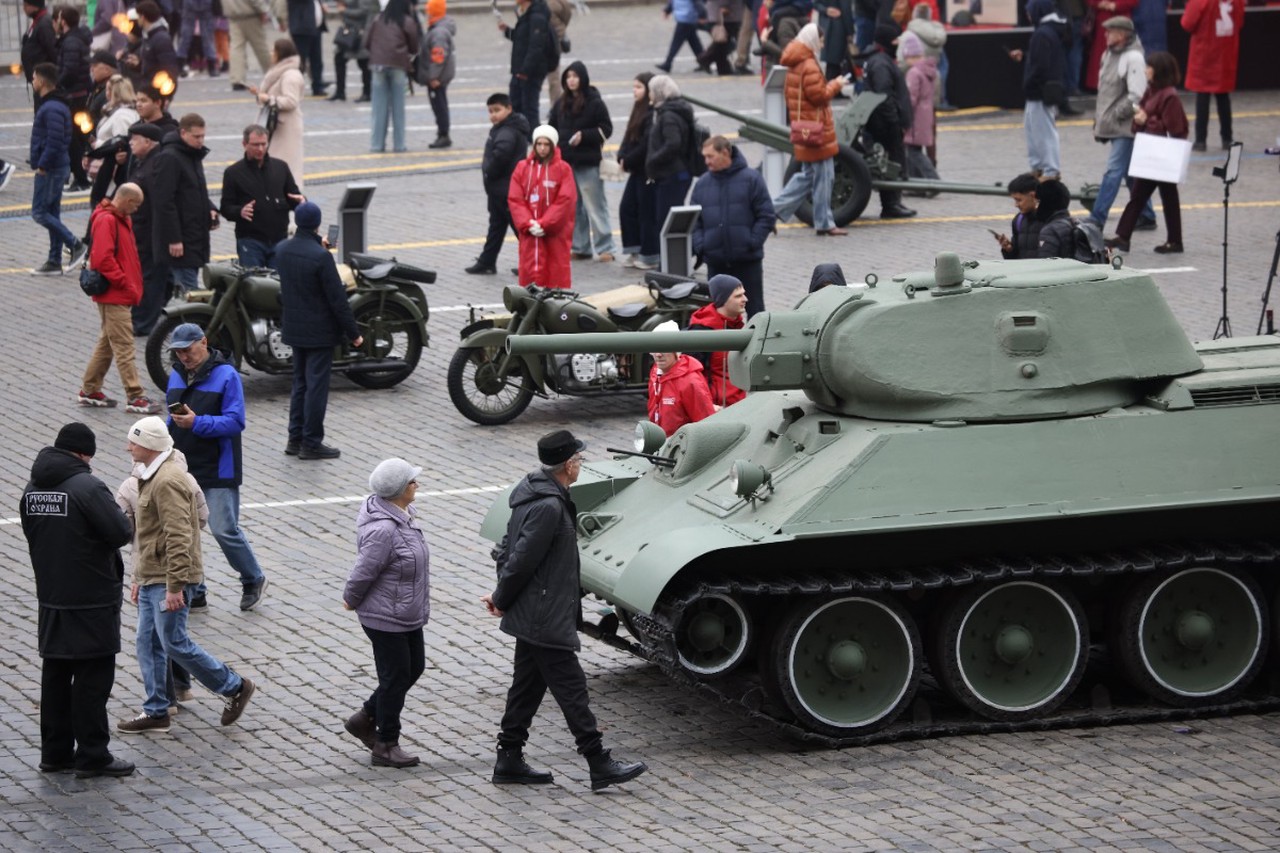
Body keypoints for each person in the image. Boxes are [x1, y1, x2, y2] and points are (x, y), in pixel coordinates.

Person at [481, 430, 648, 791]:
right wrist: (502, 597)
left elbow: (508, 547)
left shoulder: (533, 494)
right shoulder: (549, 506)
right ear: (568, 465)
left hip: (536, 613)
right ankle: (598, 761)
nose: (581, 465)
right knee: (573, 691)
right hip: (545, 615)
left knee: (526, 689)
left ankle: (508, 757)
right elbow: (521, 559)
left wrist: (504, 596)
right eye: (579, 460)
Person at [117, 416, 256, 735]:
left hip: (169, 578)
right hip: (155, 575)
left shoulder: (168, 481)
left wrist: (175, 586)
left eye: (133, 442)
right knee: (148, 641)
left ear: (149, 446)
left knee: (174, 642)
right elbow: (149, 535)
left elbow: (180, 536)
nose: (128, 447)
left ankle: (234, 687)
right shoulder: (150, 476)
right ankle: (156, 709)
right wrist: (140, 576)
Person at [20, 423, 136, 779]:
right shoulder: (87, 487)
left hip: (52, 596)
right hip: (91, 599)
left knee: (55, 673)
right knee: (93, 676)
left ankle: (55, 752)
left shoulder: (32, 489)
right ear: (85, 454)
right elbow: (119, 532)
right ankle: (93, 753)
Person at [164, 322, 271, 611]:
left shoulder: (227, 375)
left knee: (224, 529)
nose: (183, 357)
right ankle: (194, 588)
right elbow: (170, 418)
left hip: (218, 467)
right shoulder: (175, 375)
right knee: (184, 531)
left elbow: (236, 422)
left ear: (203, 343)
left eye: (187, 350)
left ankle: (252, 577)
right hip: (183, 466)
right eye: (178, 352)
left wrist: (197, 422)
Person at [342, 458, 431, 769]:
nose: (416, 484)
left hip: (405, 611)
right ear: (397, 491)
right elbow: (364, 570)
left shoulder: (403, 516)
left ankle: (365, 717)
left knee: (413, 668)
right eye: (411, 481)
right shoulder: (383, 530)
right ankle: (385, 743)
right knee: (395, 678)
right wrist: (350, 599)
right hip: (385, 616)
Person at [276, 202, 364, 460]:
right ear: (317, 224)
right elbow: (338, 299)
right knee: (316, 387)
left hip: (294, 328)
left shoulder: (283, 250)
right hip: (319, 332)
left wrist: (317, 245)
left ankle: (295, 438)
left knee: (300, 384)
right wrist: (354, 333)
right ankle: (312, 442)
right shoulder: (321, 257)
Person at [76, 184, 164, 414]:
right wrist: (124, 281)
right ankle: (135, 396)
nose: (136, 209)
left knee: (107, 343)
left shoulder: (117, 218)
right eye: (136, 204)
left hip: (116, 293)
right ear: (126, 200)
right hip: (115, 294)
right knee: (124, 345)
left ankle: (90, 389)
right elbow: (103, 259)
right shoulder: (108, 220)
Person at [1106, 51, 1188, 255]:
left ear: (1158, 70)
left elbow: (1174, 128)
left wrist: (1146, 120)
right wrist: (1140, 119)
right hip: (1154, 154)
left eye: (1149, 67)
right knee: (1149, 195)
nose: (1145, 70)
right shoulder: (1153, 91)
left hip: (1160, 154)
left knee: (1147, 195)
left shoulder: (1169, 95)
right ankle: (1127, 236)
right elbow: (1142, 117)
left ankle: (1128, 237)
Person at [771, 24, 849, 235]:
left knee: (806, 176)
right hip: (817, 130)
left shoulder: (795, 60)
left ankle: (770, 212)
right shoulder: (809, 64)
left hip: (804, 127)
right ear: (814, 39)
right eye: (821, 41)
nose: (822, 45)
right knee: (825, 176)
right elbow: (819, 96)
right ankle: (824, 222)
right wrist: (836, 84)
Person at [690, 135, 776, 318]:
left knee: (755, 312)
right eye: (704, 157)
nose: (706, 162)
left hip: (747, 261)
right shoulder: (702, 184)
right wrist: (702, 246)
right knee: (717, 314)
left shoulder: (752, 179)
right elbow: (694, 221)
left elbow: (766, 215)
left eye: (710, 156)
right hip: (716, 262)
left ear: (725, 153)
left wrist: (752, 242)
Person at [1088, 16, 1154, 230]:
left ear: (1123, 35)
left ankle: (1097, 219)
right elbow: (1105, 93)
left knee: (1114, 171)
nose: (1105, 35)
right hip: (1116, 124)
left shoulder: (1133, 58)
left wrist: (1115, 114)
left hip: (1125, 126)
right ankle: (1147, 214)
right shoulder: (1108, 55)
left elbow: (1137, 94)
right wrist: (1099, 120)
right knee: (1129, 173)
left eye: (1110, 31)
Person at [549, 61, 616, 263]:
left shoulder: (594, 102)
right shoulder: (561, 103)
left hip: (588, 162)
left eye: (575, 76)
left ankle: (606, 248)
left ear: (583, 78)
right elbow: (552, 127)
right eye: (568, 76)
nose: (571, 80)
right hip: (567, 163)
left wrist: (584, 136)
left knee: (595, 206)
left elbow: (606, 128)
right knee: (574, 207)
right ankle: (580, 246)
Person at [29, 62, 89, 276]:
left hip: (52, 168)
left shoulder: (52, 107)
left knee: (39, 212)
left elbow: (54, 140)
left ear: (43, 81)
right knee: (52, 212)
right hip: (56, 165)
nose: (32, 81)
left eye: (35, 77)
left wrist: (43, 164)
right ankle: (54, 260)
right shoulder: (53, 104)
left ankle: (75, 244)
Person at [153, 114, 220, 298]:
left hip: (194, 237)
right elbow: (164, 201)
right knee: (190, 294)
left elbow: (195, 191)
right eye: (196, 136)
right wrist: (174, 238)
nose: (201, 141)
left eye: (203, 136)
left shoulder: (192, 156)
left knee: (185, 292)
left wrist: (210, 208)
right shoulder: (171, 158)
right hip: (182, 241)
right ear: (183, 133)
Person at [220, 124, 304, 269]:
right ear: (244, 144)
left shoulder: (281, 167)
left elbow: (294, 196)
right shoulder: (233, 173)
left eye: (263, 144)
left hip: (279, 240)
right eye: (255, 145)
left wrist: (302, 203)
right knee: (254, 286)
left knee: (278, 286)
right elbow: (226, 208)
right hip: (250, 241)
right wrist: (240, 211)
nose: (260, 149)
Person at [467, 93, 531, 276]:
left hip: (506, 189)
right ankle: (487, 261)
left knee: (519, 228)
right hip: (500, 189)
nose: (493, 115)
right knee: (496, 226)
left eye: (497, 110)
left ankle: (533, 263)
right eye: (490, 111)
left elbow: (501, 154)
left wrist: (489, 170)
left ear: (508, 108)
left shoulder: (507, 131)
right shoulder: (505, 127)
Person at [508, 125, 577, 289]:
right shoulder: (522, 168)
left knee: (555, 271)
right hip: (530, 233)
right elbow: (515, 199)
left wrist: (546, 223)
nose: (542, 148)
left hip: (554, 234)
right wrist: (527, 223)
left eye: (546, 144)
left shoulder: (563, 169)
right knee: (529, 271)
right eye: (539, 144)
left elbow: (565, 200)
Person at [862, 22, 917, 218]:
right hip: (884, 125)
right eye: (894, 40)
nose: (897, 43)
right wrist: (895, 121)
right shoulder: (881, 63)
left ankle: (894, 202)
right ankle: (891, 204)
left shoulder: (878, 61)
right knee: (892, 162)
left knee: (892, 162)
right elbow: (884, 96)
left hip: (882, 122)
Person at [1010, 0, 1066, 181]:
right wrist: (1026, 56)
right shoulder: (1049, 32)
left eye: (1029, 11)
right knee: (1034, 129)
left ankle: (1050, 169)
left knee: (1043, 132)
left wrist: (1030, 82)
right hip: (1042, 89)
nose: (1028, 15)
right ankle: (1040, 167)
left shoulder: (1042, 34)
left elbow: (1040, 66)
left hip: (1039, 91)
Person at [122, 122, 168, 336]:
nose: (130, 142)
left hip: (149, 233)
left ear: (148, 142)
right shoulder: (142, 162)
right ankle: (141, 317)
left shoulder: (155, 165)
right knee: (144, 276)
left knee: (150, 278)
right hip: (141, 232)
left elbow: (159, 203)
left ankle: (143, 321)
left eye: (135, 139)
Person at [1181, 0, 1244, 153]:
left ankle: (1200, 140)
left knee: (1202, 95)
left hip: (1205, 52)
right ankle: (1227, 138)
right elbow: (1239, 22)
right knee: (1223, 95)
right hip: (1225, 51)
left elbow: (1187, 23)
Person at [645, 75, 697, 249]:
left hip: (672, 175)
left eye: (651, 91)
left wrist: (653, 159)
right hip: (675, 174)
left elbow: (673, 143)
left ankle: (673, 258)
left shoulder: (668, 116)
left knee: (666, 220)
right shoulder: (672, 111)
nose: (649, 94)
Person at [247, 39, 306, 191]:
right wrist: (259, 94)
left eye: (274, 50)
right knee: (274, 162)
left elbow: (291, 101)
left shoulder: (290, 75)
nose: (271, 53)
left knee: (286, 164)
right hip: (276, 125)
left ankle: (288, 198)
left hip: (285, 127)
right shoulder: (281, 71)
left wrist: (268, 99)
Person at [364, 0, 420, 154]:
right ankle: (399, 144)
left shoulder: (378, 19)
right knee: (398, 108)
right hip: (398, 65)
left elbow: (367, 42)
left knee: (379, 108)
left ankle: (377, 145)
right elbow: (415, 45)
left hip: (377, 66)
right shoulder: (407, 21)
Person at [686, 274, 748, 407]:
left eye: (743, 294)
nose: (745, 299)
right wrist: (707, 404)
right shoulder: (701, 332)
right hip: (716, 407)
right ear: (723, 300)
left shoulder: (738, 325)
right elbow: (692, 376)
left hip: (739, 402)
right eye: (738, 296)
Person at [617, 72, 658, 270]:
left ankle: (649, 254)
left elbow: (645, 144)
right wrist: (621, 155)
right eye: (634, 87)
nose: (635, 91)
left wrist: (628, 159)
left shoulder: (652, 113)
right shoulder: (638, 109)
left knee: (645, 212)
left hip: (646, 171)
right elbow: (628, 135)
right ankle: (634, 249)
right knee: (627, 208)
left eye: (639, 87)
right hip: (635, 169)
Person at [648, 320, 717, 435]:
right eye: (655, 349)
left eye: (664, 349)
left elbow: (706, 426)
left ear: (677, 351)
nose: (658, 355)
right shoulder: (655, 372)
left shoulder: (691, 382)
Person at [52, 5, 93, 192]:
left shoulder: (71, 43)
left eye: (58, 18)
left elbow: (70, 70)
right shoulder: (72, 40)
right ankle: (78, 175)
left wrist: (56, 86)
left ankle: (81, 178)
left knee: (73, 138)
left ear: (63, 20)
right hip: (76, 94)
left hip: (73, 96)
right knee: (76, 136)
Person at [499, 0, 556, 130]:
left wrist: (525, 71)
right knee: (515, 106)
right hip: (520, 71)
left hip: (530, 72)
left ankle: (535, 140)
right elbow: (522, 38)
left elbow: (536, 46)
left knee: (529, 110)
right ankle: (519, 139)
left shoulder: (537, 15)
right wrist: (507, 31)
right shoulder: (527, 13)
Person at [87, 74, 139, 210]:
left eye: (108, 89)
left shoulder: (121, 116)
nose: (106, 93)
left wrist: (97, 145)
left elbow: (119, 144)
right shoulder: (116, 111)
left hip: (112, 172)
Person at [900, 31, 940, 185]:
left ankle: (933, 180)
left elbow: (911, 98)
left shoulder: (913, 73)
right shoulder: (929, 71)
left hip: (915, 119)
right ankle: (917, 182)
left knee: (914, 152)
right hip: (925, 116)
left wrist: (903, 115)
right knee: (913, 151)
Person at [422, 0, 457, 150]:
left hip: (438, 77)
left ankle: (443, 134)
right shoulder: (439, 28)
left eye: (428, 10)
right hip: (440, 75)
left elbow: (438, 56)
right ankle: (442, 133)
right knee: (439, 103)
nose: (426, 13)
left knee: (439, 105)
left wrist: (433, 76)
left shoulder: (438, 32)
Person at [330, 0, 378, 102]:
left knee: (364, 63)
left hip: (359, 33)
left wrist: (345, 10)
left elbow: (363, 11)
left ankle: (367, 93)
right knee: (339, 59)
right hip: (349, 32)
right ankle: (340, 92)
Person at [1083, 0, 1134, 92]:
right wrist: (1099, 4)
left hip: (1118, 19)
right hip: (1106, 18)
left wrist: (1115, 5)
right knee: (1102, 52)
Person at [223, 0, 274, 93]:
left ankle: (237, 79)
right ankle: (273, 74)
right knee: (261, 48)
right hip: (250, 15)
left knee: (236, 48)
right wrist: (263, 10)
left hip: (233, 15)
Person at [129, 2, 181, 91]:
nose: (137, 20)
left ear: (143, 17)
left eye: (138, 16)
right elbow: (152, 65)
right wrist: (139, 64)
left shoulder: (161, 39)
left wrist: (162, 94)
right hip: (148, 87)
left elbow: (170, 69)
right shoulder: (148, 35)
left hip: (156, 91)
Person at [992, 172, 1042, 259]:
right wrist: (1009, 249)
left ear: (1033, 196)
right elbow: (1016, 258)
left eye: (1019, 200)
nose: (1016, 205)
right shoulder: (1018, 220)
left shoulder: (1049, 220)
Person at [286, 0, 327, 97]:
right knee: (300, 62)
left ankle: (317, 86)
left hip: (316, 28)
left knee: (317, 60)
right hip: (301, 28)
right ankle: (294, 88)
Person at [656, 0, 706, 73]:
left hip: (686, 19)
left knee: (676, 43)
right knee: (694, 43)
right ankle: (704, 62)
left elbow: (698, 3)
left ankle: (668, 63)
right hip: (686, 18)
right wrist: (667, 10)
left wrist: (702, 15)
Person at [1030, 178, 1075, 258]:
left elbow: (1046, 265)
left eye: (1038, 202)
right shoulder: (1074, 223)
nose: (1036, 207)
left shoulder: (1050, 231)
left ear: (1045, 203)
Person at [178, 0, 220, 78]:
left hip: (190, 7)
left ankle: (180, 66)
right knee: (208, 39)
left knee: (185, 39)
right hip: (205, 7)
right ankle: (212, 67)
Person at [22, 0, 59, 87]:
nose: (24, 8)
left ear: (35, 6)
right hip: (39, 78)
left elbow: (52, 50)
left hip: (45, 79)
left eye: (26, 5)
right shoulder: (38, 21)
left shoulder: (44, 24)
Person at [545, 0, 573, 102]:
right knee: (552, 79)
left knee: (553, 79)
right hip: (546, 40)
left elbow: (567, 13)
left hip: (553, 41)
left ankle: (555, 106)